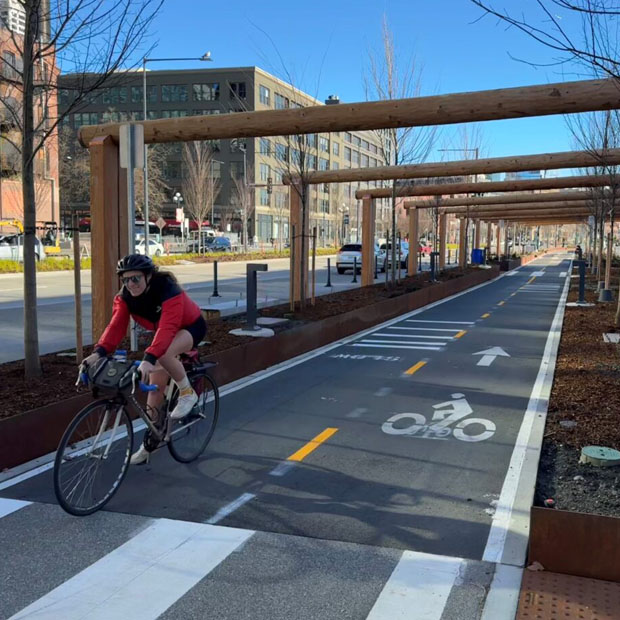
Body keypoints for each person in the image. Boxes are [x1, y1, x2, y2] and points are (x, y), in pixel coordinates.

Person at [82, 254, 207, 465]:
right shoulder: (125, 297)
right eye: (126, 279)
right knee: (154, 390)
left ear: (148, 276)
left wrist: (149, 358)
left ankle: (187, 392)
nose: (130, 284)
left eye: (136, 279)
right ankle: (150, 442)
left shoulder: (168, 289)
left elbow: (168, 327)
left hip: (190, 326)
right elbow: (116, 326)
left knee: (163, 353)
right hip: (165, 332)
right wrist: (98, 353)